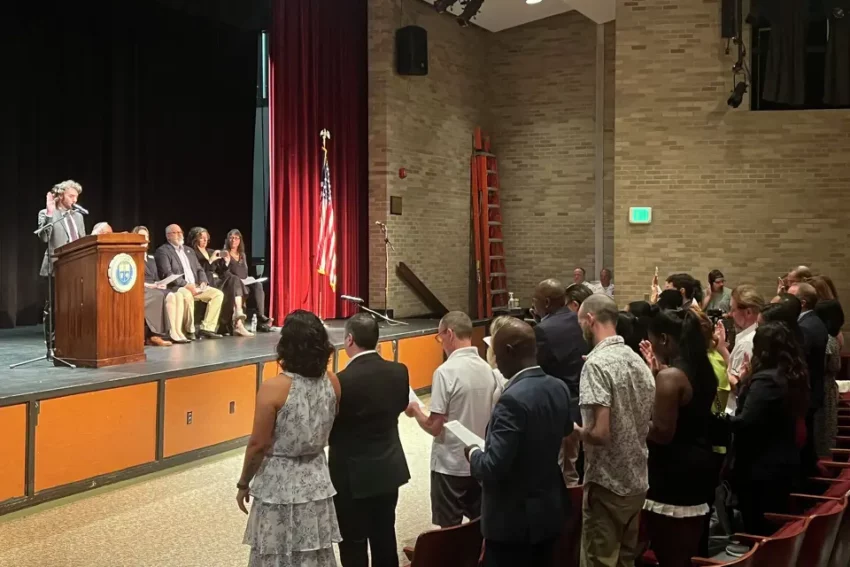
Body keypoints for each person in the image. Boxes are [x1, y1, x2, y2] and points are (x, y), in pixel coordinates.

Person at [237, 310, 341, 567]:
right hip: (316, 478)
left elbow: (258, 444)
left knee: (276, 551)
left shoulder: (273, 388)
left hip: (279, 483)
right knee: (313, 551)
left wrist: (243, 483)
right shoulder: (332, 382)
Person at [467, 318, 573, 567]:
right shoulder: (558, 386)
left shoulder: (511, 400)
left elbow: (492, 467)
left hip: (513, 523)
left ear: (509, 352)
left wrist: (473, 453)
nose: (495, 361)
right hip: (549, 512)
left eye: (496, 353)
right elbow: (566, 430)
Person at [574, 294, 655, 567]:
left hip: (607, 482)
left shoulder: (595, 365)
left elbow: (600, 433)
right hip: (637, 479)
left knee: (599, 561)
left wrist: (574, 430)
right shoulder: (637, 360)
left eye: (580, 323)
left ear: (590, 319)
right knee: (625, 560)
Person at [329, 314, 410, 567]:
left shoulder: (340, 381)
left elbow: (329, 428)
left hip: (350, 476)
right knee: (384, 535)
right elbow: (401, 406)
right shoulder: (399, 371)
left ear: (349, 340)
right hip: (388, 470)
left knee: (353, 543)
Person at [640, 308, 718, 567]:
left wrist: (632, 422)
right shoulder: (703, 369)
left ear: (664, 339)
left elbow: (662, 433)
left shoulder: (671, 376)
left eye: (652, 340)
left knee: (670, 553)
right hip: (699, 463)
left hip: (673, 471)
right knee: (685, 552)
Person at [405, 311, 497, 527]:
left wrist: (416, 410)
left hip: (450, 465)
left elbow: (435, 427)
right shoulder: (488, 369)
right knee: (479, 526)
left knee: (449, 531)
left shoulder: (445, 372)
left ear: (450, 333)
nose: (441, 344)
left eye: (440, 337)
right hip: (479, 461)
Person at [728, 321, 808, 535]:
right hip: (780, 460)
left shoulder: (767, 380)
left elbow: (745, 421)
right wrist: (744, 383)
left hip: (761, 467)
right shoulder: (791, 374)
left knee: (759, 528)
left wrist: (716, 416)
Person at [532, 278, 589, 487]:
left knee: (564, 472)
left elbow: (537, 370)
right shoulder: (580, 320)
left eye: (535, 300)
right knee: (578, 468)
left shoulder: (543, 330)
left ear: (546, 303)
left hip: (561, 409)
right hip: (586, 402)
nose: (533, 305)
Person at [154, 224, 223, 339]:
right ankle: (189, 330)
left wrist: (203, 281)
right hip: (178, 287)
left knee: (217, 294)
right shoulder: (163, 251)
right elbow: (168, 274)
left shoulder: (189, 250)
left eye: (180, 232)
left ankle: (207, 328)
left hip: (196, 285)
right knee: (187, 295)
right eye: (175, 233)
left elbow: (199, 269)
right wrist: (186, 285)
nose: (179, 235)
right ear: (168, 236)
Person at [789, 281, 829, 474]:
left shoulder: (805, 326)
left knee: (803, 444)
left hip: (806, 391)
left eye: (790, 297)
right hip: (811, 390)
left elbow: (799, 360)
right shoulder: (814, 321)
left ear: (802, 303)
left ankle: (805, 479)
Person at [132, 225, 190, 346]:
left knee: (177, 295)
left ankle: (177, 331)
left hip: (154, 286)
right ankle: (160, 334)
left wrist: (160, 284)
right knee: (165, 296)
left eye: (146, 236)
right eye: (141, 236)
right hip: (141, 288)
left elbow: (156, 277)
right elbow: (133, 279)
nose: (144, 239)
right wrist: (150, 285)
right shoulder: (132, 257)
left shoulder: (150, 258)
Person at [187, 226, 250, 337]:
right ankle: (238, 322)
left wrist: (226, 262)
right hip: (206, 282)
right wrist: (211, 260)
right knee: (233, 284)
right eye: (202, 238)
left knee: (234, 279)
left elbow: (221, 271)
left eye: (206, 237)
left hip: (218, 280)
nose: (205, 240)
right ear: (195, 239)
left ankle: (238, 315)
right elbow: (197, 271)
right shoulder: (191, 253)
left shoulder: (211, 251)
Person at [222, 229, 273, 333]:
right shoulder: (224, 253)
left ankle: (261, 315)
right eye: (231, 238)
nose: (233, 240)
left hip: (244, 281)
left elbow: (244, 272)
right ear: (227, 240)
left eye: (236, 238)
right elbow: (224, 272)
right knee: (241, 285)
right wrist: (236, 276)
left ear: (240, 240)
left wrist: (248, 278)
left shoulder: (242, 255)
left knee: (258, 284)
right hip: (232, 283)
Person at [37, 180, 86, 277]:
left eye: (76, 197)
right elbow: (44, 238)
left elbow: (83, 241)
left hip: (77, 266)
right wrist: (49, 214)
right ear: (60, 196)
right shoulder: (46, 213)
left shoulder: (78, 216)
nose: (75, 200)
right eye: (71, 196)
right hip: (56, 267)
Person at [727, 285, 765, 408]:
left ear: (748, 312)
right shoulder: (758, 333)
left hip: (736, 407)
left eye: (733, 310)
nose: (730, 314)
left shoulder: (747, 342)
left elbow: (736, 385)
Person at [814, 300, 844, 458]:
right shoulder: (832, 338)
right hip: (828, 388)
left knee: (822, 430)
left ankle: (824, 463)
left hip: (824, 389)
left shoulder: (826, 340)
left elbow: (822, 366)